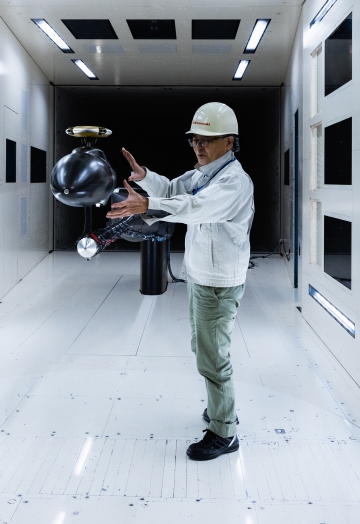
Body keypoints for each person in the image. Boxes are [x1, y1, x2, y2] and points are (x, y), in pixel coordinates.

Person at [107, 102, 255, 461]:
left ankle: (224, 430)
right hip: (202, 277)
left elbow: (195, 207)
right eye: (194, 140)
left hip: (218, 283)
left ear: (229, 142)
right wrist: (145, 176)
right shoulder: (203, 173)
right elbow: (174, 189)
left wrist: (148, 206)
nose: (198, 146)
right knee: (203, 348)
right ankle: (219, 406)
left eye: (207, 140)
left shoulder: (233, 181)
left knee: (213, 357)